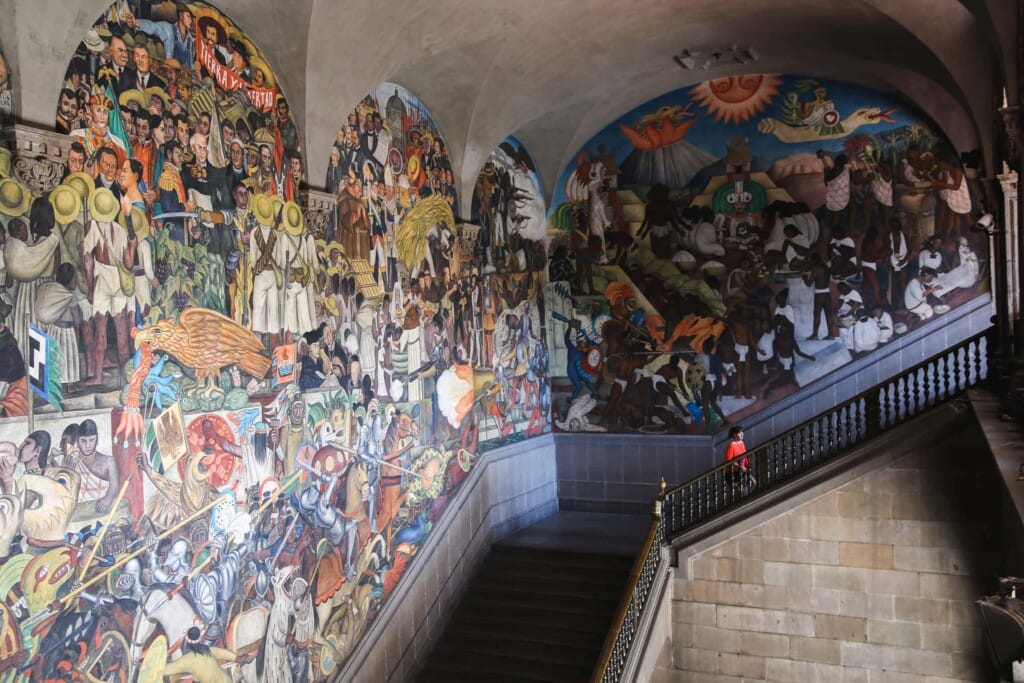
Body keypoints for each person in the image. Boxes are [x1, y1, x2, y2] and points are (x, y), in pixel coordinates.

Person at [725, 425, 754, 496]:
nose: (741, 434)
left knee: (754, 482)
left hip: (743, 469)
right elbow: (729, 460)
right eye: (739, 433)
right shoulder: (731, 445)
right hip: (734, 472)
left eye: (742, 432)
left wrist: (746, 466)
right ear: (734, 435)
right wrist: (740, 466)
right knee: (740, 490)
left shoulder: (742, 443)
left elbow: (745, 456)